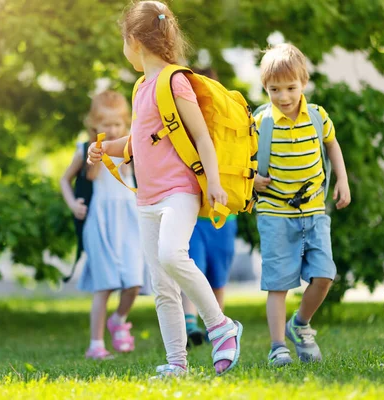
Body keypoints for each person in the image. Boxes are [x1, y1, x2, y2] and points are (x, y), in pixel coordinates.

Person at [87, 1, 242, 377]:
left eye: (123, 41)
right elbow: (138, 144)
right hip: (147, 199)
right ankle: (177, 363)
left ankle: (221, 325)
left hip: (179, 192)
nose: (124, 49)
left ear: (135, 41)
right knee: (162, 285)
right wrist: (106, 148)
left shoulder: (176, 81)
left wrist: (216, 184)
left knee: (173, 255)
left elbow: (202, 138)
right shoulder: (141, 87)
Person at [253, 43, 351, 367]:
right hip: (274, 212)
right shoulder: (260, 122)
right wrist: (251, 178)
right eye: (274, 89)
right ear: (265, 87)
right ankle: (278, 346)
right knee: (279, 282)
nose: (283, 96)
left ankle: (301, 324)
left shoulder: (317, 115)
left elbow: (332, 145)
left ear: (303, 83)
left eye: (291, 87)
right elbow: (241, 161)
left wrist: (342, 180)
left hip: (313, 210)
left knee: (324, 275)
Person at [59, 90, 145, 360]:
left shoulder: (131, 146)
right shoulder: (86, 149)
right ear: (94, 124)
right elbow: (66, 179)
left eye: (118, 123)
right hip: (100, 220)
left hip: (129, 220)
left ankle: (119, 319)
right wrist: (73, 203)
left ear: (126, 123)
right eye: (106, 124)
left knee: (134, 282)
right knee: (104, 285)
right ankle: (96, 344)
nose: (112, 129)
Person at [182, 67, 239, 347]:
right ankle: (190, 322)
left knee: (218, 274)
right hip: (194, 216)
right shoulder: (187, 132)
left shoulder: (229, 132)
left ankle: (216, 322)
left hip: (223, 217)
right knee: (194, 270)